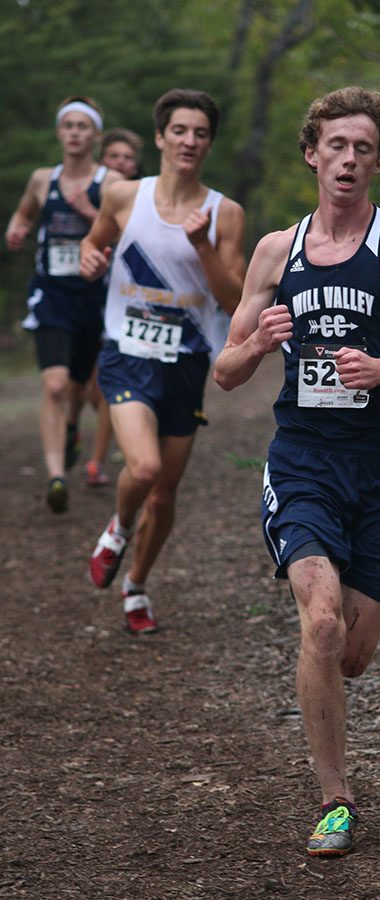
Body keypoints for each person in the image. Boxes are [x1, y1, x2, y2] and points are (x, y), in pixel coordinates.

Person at [213, 86, 380, 857]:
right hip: (303, 462)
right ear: (312, 154)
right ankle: (336, 798)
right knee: (319, 620)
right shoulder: (273, 251)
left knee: (351, 651)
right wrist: (257, 345)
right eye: (336, 146)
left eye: (363, 148)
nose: (349, 159)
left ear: (378, 160)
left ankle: (331, 691)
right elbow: (224, 371)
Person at [80, 88, 245, 635]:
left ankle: (136, 587)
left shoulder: (225, 213)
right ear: (160, 137)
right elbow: (94, 243)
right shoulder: (124, 196)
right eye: (180, 130)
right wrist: (89, 257)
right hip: (126, 352)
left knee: (165, 492)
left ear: (209, 143)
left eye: (200, 133)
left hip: (187, 360)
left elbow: (234, 300)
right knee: (144, 469)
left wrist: (201, 245)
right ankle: (117, 530)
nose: (189, 141)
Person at [5, 95, 121, 513]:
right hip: (51, 294)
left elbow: (121, 235)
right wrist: (16, 231)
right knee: (54, 385)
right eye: (68, 125)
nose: (74, 132)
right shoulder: (42, 179)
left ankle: (72, 428)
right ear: (60, 132)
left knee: (77, 384)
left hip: (93, 297)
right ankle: (56, 476)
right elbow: (22, 215)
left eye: (82, 126)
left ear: (94, 135)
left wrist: (88, 210)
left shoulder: (109, 183)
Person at [82, 127, 146, 487]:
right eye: (114, 157)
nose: (121, 163)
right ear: (102, 161)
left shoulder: (140, 198)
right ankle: (100, 430)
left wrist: (84, 209)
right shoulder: (85, 186)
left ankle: (97, 459)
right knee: (82, 387)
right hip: (82, 296)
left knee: (103, 384)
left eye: (128, 158)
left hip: (123, 302)